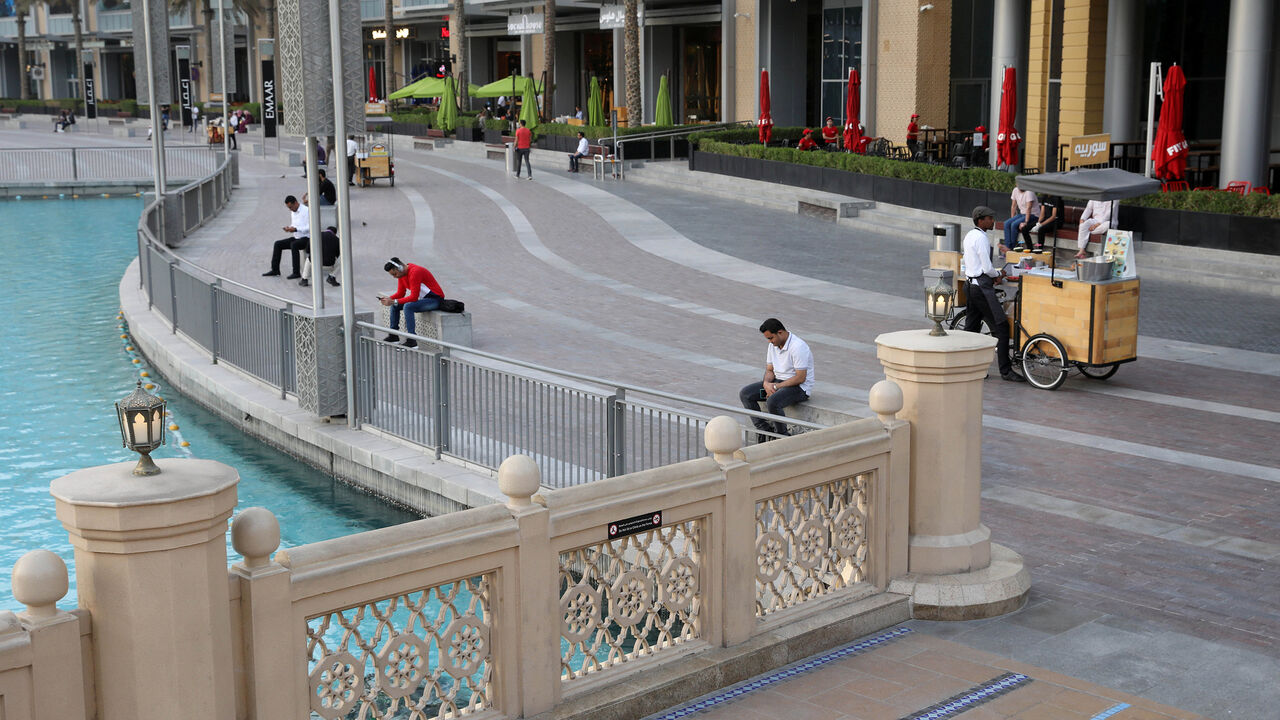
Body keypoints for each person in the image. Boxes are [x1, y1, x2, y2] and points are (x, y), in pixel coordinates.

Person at [964, 206, 1023, 382]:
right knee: (1001, 328)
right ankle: (1006, 371)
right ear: (980, 220)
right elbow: (988, 268)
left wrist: (993, 274)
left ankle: (967, 367)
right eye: (989, 218)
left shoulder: (969, 235)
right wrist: (999, 274)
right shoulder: (981, 238)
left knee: (971, 330)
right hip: (981, 289)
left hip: (970, 285)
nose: (992, 221)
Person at [738, 318, 815, 442]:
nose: (770, 341)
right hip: (777, 384)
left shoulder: (798, 347)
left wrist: (776, 387)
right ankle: (764, 431)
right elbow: (770, 370)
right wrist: (766, 384)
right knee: (746, 394)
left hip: (799, 389)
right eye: (768, 339)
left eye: (771, 338)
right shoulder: (772, 346)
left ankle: (781, 437)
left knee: (773, 402)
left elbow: (801, 377)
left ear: (780, 332)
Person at [380, 257, 445, 348]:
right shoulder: (402, 275)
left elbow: (414, 297)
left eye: (394, 274)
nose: (395, 277)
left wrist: (393, 301)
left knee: (408, 306)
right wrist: (389, 299)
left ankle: (412, 340)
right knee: (395, 306)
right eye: (392, 275)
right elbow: (400, 293)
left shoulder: (415, 272)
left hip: (435, 299)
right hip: (424, 299)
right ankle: (393, 335)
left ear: (400, 268)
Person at [263, 195, 310, 279]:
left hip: (306, 238)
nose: (290, 209)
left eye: (291, 207)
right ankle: (275, 270)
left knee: (294, 245)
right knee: (278, 244)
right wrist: (289, 228)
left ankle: (296, 272)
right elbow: (294, 224)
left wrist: (295, 229)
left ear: (296, 203)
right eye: (289, 208)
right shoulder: (293, 212)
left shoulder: (306, 211)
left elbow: (309, 227)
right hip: (296, 236)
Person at [1005, 185, 1040, 250]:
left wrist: (1025, 222)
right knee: (1006, 223)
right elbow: (1013, 206)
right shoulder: (1015, 190)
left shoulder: (1029, 192)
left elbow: (1028, 208)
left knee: (1014, 224)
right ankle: (1007, 246)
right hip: (1022, 214)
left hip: (1033, 215)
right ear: (1016, 184)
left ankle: (1012, 248)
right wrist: (1012, 218)